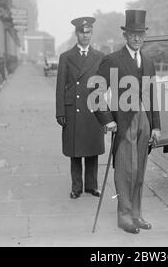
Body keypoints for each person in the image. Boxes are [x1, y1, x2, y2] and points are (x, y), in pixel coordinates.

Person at [94, 10, 161, 234]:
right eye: (133, 34)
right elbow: (95, 91)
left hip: (145, 122)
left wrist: (156, 126)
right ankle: (124, 216)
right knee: (126, 171)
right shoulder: (113, 59)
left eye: (140, 34)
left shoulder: (149, 62)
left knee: (140, 171)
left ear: (144, 36)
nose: (137, 38)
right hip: (124, 122)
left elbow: (152, 96)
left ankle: (136, 214)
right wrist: (107, 121)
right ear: (125, 35)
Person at [56, 17, 105, 200]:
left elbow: (103, 86)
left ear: (91, 34)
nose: (85, 35)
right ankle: (76, 187)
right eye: (82, 32)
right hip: (73, 110)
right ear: (76, 34)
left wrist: (106, 114)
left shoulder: (100, 57)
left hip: (93, 109)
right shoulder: (66, 57)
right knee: (75, 151)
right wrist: (60, 111)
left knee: (92, 148)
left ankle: (92, 186)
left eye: (88, 32)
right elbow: (60, 86)